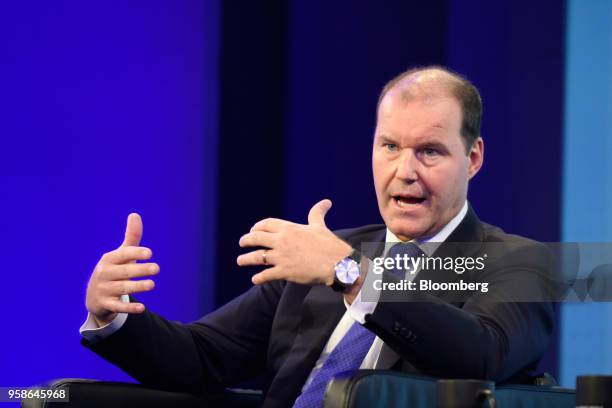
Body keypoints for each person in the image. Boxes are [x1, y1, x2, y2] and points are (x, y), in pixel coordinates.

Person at [81, 66, 554, 408]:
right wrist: (112, 314)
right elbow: (203, 357)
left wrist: (348, 274)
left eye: (429, 151)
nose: (404, 172)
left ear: (473, 159)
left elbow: (479, 356)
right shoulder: (322, 255)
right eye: (389, 146)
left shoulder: (522, 264)